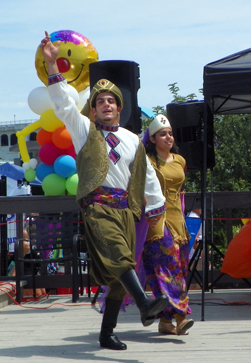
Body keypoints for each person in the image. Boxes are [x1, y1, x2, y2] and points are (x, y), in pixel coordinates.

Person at [40, 32, 169, 350]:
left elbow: (147, 175)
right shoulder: (84, 130)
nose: (106, 104)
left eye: (111, 100)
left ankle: (107, 332)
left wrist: (156, 206)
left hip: (125, 210)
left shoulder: (130, 139)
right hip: (97, 207)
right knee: (120, 257)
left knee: (116, 275)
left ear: (119, 107)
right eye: (100, 101)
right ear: (93, 110)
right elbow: (64, 104)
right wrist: (52, 64)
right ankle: (145, 304)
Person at [141, 115, 194, 336]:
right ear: (152, 139)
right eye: (163, 134)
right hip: (156, 221)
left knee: (178, 268)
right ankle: (181, 316)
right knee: (169, 269)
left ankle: (165, 322)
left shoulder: (180, 160)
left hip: (178, 220)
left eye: (170, 133)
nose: (168, 137)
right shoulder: (146, 161)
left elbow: (181, 192)